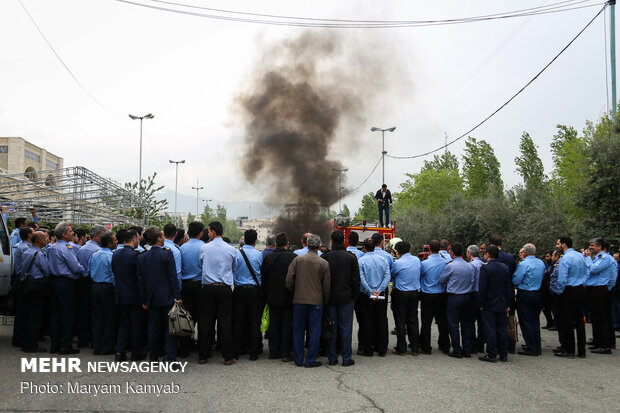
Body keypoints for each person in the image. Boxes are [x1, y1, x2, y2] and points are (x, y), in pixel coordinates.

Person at [285, 234, 330, 368]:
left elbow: (288, 281)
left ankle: (298, 359)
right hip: (316, 302)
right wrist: (324, 301)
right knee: (314, 331)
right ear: (318, 246)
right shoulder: (324, 263)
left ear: (307, 244)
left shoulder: (297, 260)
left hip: (299, 300)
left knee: (298, 330)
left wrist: (294, 291)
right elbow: (326, 287)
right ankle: (310, 360)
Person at [137, 227, 181, 362]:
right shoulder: (167, 254)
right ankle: (170, 358)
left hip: (151, 297)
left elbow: (141, 281)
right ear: (158, 239)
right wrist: (178, 296)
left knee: (153, 328)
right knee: (170, 328)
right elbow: (172, 277)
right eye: (162, 236)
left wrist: (144, 299)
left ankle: (153, 356)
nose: (163, 238)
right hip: (167, 296)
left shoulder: (142, 256)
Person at [198, 221, 237, 365]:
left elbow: (201, 264)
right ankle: (228, 356)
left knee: (205, 322)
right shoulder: (231, 249)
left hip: (208, 288)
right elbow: (234, 267)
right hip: (224, 288)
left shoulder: (204, 248)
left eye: (208, 231)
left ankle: (203, 355)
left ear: (213, 232)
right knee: (225, 322)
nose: (208, 233)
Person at [322, 230, 360, 366]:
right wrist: (354, 297)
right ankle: (346, 357)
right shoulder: (350, 257)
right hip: (347, 298)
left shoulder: (326, 257)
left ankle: (332, 357)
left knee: (332, 328)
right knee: (346, 328)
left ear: (332, 241)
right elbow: (356, 280)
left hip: (331, 298)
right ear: (343, 240)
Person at [48, 222, 85, 354]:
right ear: (64, 234)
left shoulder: (52, 247)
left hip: (54, 281)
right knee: (67, 314)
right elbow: (75, 267)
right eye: (70, 231)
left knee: (55, 314)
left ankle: (55, 344)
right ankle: (65, 345)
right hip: (66, 282)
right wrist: (84, 270)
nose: (73, 233)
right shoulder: (66, 248)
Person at [261, 232, 297, 361]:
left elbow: (263, 279)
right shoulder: (293, 257)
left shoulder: (268, 258)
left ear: (276, 243)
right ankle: (285, 351)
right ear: (287, 243)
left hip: (272, 296)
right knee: (287, 324)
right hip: (288, 295)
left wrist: (265, 296)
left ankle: (273, 351)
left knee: (274, 323)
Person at [112, 229, 144, 361]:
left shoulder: (116, 254)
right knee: (136, 325)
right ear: (134, 239)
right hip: (134, 295)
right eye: (138, 238)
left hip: (120, 293)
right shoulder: (136, 256)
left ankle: (120, 351)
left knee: (124, 324)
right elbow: (139, 277)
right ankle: (136, 352)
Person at [439, 242, 475, 358]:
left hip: (454, 297)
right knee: (466, 324)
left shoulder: (451, 266)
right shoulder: (470, 266)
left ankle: (457, 350)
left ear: (452, 252)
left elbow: (442, 279)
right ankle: (467, 349)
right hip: (467, 296)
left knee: (453, 324)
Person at [233, 229, 264, 361]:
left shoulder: (237, 254)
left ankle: (236, 351)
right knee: (254, 321)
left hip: (240, 290)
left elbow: (233, 270)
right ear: (255, 241)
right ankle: (254, 352)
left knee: (238, 321)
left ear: (244, 239)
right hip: (254, 290)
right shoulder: (259, 254)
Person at [554, 235, 588, 358]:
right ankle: (582, 350)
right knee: (579, 320)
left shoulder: (565, 258)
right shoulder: (581, 256)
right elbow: (586, 272)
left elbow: (562, 278)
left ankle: (569, 350)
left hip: (569, 290)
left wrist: (559, 292)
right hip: (581, 289)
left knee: (567, 321)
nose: (557, 246)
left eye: (558, 244)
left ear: (564, 244)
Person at [477, 244, 512, 363]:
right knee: (502, 329)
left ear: (487, 254)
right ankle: (503, 353)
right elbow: (508, 287)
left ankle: (491, 353)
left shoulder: (485, 268)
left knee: (490, 329)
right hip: (502, 302)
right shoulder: (505, 268)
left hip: (489, 303)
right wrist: (508, 303)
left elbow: (482, 288)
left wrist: (480, 303)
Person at [356, 237, 391, 357]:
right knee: (381, 320)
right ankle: (382, 348)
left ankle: (368, 349)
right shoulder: (383, 259)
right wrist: (379, 290)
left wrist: (370, 291)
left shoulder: (361, 261)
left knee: (367, 321)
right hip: (380, 295)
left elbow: (361, 279)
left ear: (364, 248)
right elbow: (387, 277)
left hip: (366, 296)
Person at [584, 238, 617, 354]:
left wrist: (588, 258)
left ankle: (605, 345)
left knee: (602, 318)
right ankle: (598, 342)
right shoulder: (596, 258)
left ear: (600, 247)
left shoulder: (606, 258)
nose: (590, 248)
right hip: (594, 289)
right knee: (595, 317)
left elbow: (594, 269)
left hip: (600, 290)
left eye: (592, 245)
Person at [18, 230, 49, 353]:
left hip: (27, 285)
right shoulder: (39, 254)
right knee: (35, 317)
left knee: (27, 315)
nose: (47, 239)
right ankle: (31, 345)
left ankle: (25, 342)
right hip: (37, 287)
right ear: (39, 240)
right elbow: (46, 270)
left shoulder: (27, 252)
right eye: (44, 238)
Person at [76, 225, 106, 349]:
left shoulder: (83, 248)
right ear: (95, 235)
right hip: (92, 280)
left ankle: (82, 339)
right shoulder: (96, 250)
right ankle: (94, 339)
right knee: (95, 312)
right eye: (102, 235)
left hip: (83, 280)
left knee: (83, 311)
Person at [513, 243, 545, 356]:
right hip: (537, 292)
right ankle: (536, 344)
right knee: (535, 320)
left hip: (525, 293)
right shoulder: (541, 263)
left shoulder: (523, 264)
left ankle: (531, 346)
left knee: (525, 320)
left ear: (525, 252)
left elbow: (516, 280)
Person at [178, 221, 205, 358]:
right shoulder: (204, 247)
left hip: (186, 285)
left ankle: (185, 347)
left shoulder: (182, 248)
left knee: (186, 317)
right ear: (201, 233)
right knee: (202, 317)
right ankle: (202, 347)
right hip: (200, 285)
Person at [419, 239, 450, 355]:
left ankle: (426, 347)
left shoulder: (425, 263)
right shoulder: (445, 263)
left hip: (427, 294)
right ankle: (445, 345)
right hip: (441, 294)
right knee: (442, 321)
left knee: (426, 322)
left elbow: (420, 276)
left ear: (429, 249)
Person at [390, 241, 421, 356]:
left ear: (397, 252)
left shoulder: (398, 263)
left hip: (401, 294)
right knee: (413, 320)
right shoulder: (417, 260)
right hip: (414, 293)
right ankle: (415, 348)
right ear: (409, 250)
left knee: (400, 321)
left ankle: (401, 348)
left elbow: (392, 275)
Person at [89, 232, 118, 356]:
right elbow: (113, 275)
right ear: (110, 243)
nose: (117, 242)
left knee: (97, 318)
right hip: (107, 288)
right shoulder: (111, 257)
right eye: (115, 240)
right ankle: (106, 347)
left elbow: (89, 270)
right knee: (109, 318)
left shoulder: (94, 255)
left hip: (94, 286)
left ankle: (97, 345)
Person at [11, 226, 34, 348]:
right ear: (30, 235)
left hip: (20, 279)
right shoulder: (25, 248)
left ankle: (19, 337)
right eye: (34, 232)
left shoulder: (23, 246)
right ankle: (19, 338)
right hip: (22, 280)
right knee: (23, 311)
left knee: (22, 310)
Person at [467, 245, 485, 353]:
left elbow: (471, 280)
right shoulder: (483, 264)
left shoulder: (471, 265)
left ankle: (472, 344)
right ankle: (481, 344)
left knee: (470, 321)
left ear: (469, 253)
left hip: (473, 294)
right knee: (481, 321)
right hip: (482, 294)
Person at [163, 223, 182, 290]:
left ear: (163, 233)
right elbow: (177, 273)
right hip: (170, 288)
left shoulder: (158, 247)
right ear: (176, 234)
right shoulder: (176, 250)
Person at [541, 250, 555, 329]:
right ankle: (549, 322)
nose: (547, 258)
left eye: (548, 256)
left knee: (553, 308)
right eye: (546, 257)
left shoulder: (555, 266)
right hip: (545, 290)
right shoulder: (546, 265)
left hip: (551, 290)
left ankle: (555, 323)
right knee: (545, 308)